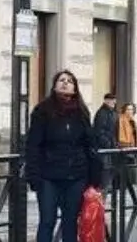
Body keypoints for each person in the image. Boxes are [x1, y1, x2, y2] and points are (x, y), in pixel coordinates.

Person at [24, 70, 101, 242]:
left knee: (70, 221)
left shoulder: (81, 112)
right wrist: (33, 176)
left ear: (75, 88)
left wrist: (94, 177)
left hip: (76, 176)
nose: (65, 83)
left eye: (69, 81)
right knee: (47, 221)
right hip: (48, 176)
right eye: (61, 80)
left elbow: (90, 145)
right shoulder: (42, 110)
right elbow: (33, 145)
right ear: (54, 85)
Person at [92, 92, 119, 189]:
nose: (113, 102)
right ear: (106, 101)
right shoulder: (102, 113)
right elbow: (99, 131)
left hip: (112, 148)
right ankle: (100, 199)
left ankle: (103, 197)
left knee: (109, 174)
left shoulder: (113, 113)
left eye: (114, 100)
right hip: (105, 149)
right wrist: (108, 144)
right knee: (104, 175)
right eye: (111, 100)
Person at [116, 103, 137, 186]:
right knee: (123, 168)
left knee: (128, 168)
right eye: (128, 109)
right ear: (124, 110)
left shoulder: (132, 120)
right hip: (125, 147)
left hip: (132, 147)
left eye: (131, 109)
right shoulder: (121, 119)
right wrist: (126, 146)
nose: (130, 111)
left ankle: (125, 185)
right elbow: (121, 135)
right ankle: (121, 186)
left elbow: (135, 135)